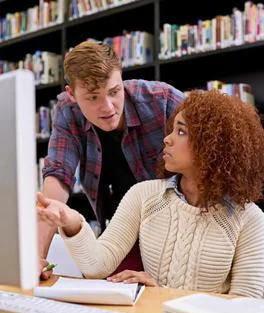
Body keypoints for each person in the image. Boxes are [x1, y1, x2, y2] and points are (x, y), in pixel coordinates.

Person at [37, 90, 264, 298]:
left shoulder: (249, 219)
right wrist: (72, 222)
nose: (167, 138)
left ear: (213, 146)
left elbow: (246, 305)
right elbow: (98, 265)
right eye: (172, 129)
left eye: (181, 131)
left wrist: (163, 294)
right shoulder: (143, 195)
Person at [39, 40, 184, 279]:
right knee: (106, 286)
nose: (107, 107)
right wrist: (38, 258)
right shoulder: (68, 111)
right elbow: (57, 178)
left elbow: (212, 156)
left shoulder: (163, 99)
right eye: (93, 97)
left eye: (115, 92)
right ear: (71, 94)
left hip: (177, 226)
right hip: (121, 228)